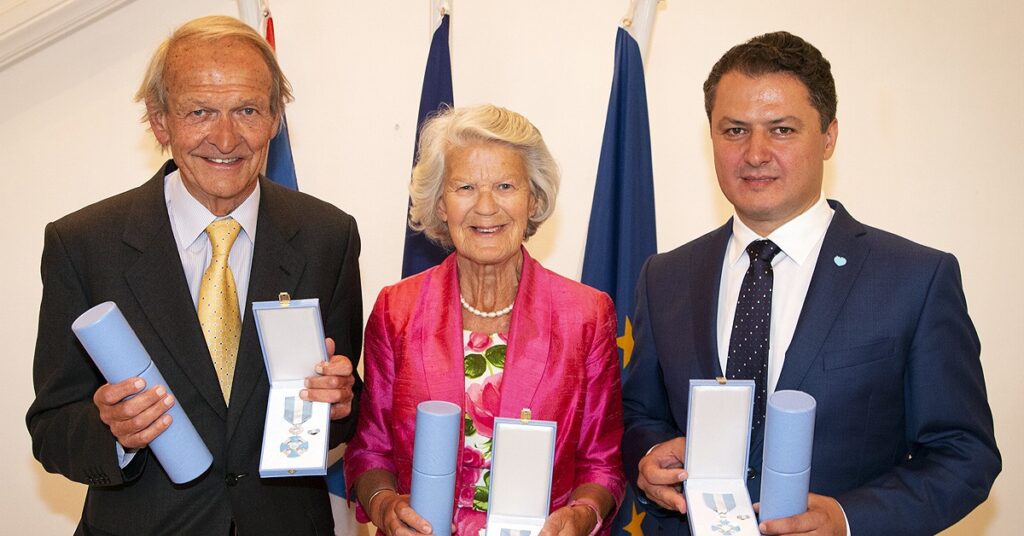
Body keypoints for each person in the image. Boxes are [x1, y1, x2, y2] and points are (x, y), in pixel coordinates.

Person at [622, 31, 1000, 536]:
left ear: (828, 137)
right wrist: (647, 455)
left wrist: (848, 520)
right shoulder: (665, 276)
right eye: (734, 130)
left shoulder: (915, 278)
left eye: (781, 130)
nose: (755, 153)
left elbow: (964, 455)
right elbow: (637, 413)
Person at [25, 16, 362, 535]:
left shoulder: (327, 236)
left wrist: (341, 403)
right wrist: (114, 432)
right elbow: (51, 427)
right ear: (160, 122)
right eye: (200, 112)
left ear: (274, 117)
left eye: (247, 110)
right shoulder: (84, 244)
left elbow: (345, 403)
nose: (226, 138)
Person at [345, 104, 625, 536]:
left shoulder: (586, 315)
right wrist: (383, 506)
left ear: (533, 199)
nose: (486, 206)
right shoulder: (396, 310)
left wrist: (583, 514)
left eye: (506, 185)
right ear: (440, 203)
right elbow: (371, 450)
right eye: (465, 187)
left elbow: (602, 462)